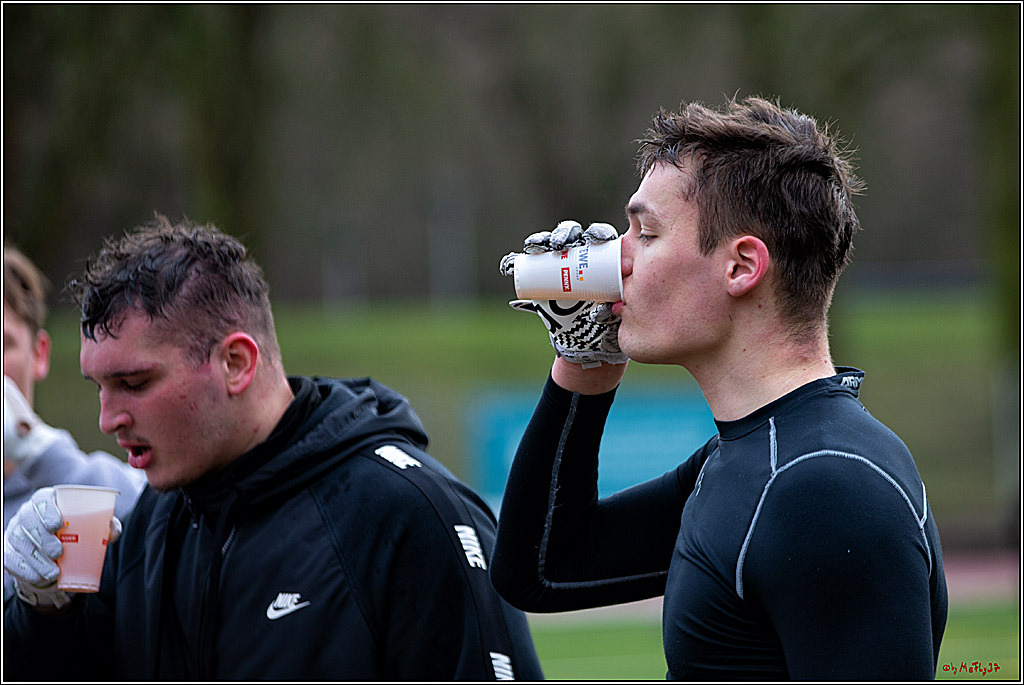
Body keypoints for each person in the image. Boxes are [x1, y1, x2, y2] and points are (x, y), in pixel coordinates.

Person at [490, 96, 948, 680]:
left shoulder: (823, 487)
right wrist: (585, 357)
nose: (613, 258)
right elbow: (542, 569)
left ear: (741, 267)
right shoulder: (756, 458)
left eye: (645, 233)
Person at [3, 216, 544, 680]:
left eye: (136, 384)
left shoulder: (409, 515)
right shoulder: (149, 526)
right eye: (98, 388)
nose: (107, 419)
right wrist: (42, 608)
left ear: (236, 363)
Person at [3, 245, 146, 604]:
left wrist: (34, 447)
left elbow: (156, 510)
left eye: (2, 343)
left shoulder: (72, 484)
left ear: (39, 354)